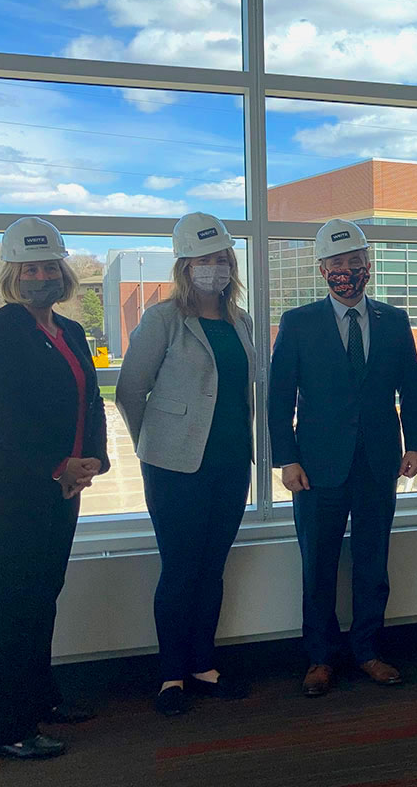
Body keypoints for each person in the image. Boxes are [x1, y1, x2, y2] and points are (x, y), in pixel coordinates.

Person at [0, 217, 109, 759]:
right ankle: (2, 729)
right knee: (9, 607)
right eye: (30, 268)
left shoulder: (68, 331)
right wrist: (58, 466)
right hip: (9, 491)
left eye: (50, 266)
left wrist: (95, 459)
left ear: (64, 272)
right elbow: (1, 419)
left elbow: (90, 399)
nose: (41, 276)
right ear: (12, 275)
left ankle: (38, 699)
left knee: (42, 598)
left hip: (60, 489)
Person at [269, 219, 417, 697]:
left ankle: (369, 651)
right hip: (316, 468)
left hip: (379, 462)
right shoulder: (298, 323)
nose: (346, 270)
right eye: (336, 263)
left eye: (354, 261)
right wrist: (286, 459)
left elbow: (410, 389)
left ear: (368, 267)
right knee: (318, 564)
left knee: (372, 562)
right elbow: (279, 399)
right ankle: (320, 658)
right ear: (322, 269)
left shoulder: (393, 321)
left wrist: (415, 444)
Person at [116, 212, 256, 716]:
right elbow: (130, 390)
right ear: (184, 265)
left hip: (231, 463)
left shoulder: (242, 320)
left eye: (221, 259)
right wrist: (152, 443)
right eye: (203, 260)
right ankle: (171, 675)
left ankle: (203, 664)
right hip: (174, 467)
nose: (214, 268)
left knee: (212, 568)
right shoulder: (163, 319)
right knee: (179, 569)